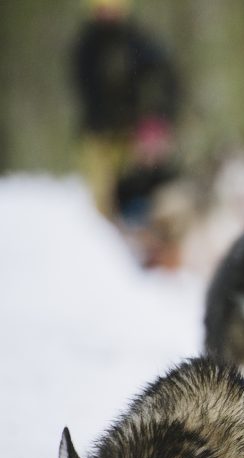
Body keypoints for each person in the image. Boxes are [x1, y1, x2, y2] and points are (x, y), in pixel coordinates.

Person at [71, 0, 184, 267]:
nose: (108, 10)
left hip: (130, 134)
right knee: (103, 206)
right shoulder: (86, 45)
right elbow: (84, 89)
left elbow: (165, 75)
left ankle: (143, 255)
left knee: (145, 198)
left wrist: (157, 121)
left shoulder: (137, 42)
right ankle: (108, 260)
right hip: (99, 135)